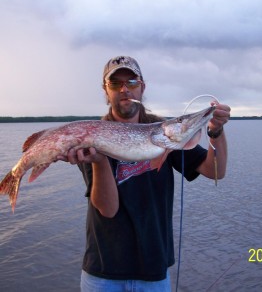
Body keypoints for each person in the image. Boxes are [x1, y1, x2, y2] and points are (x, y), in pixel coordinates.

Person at [63, 56, 231, 291]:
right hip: (103, 273)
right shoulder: (94, 136)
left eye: (131, 82)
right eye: (115, 84)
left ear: (143, 87)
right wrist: (99, 161)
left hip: (154, 271)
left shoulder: (165, 132)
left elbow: (216, 171)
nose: (124, 89)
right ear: (105, 90)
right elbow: (108, 208)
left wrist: (216, 131)